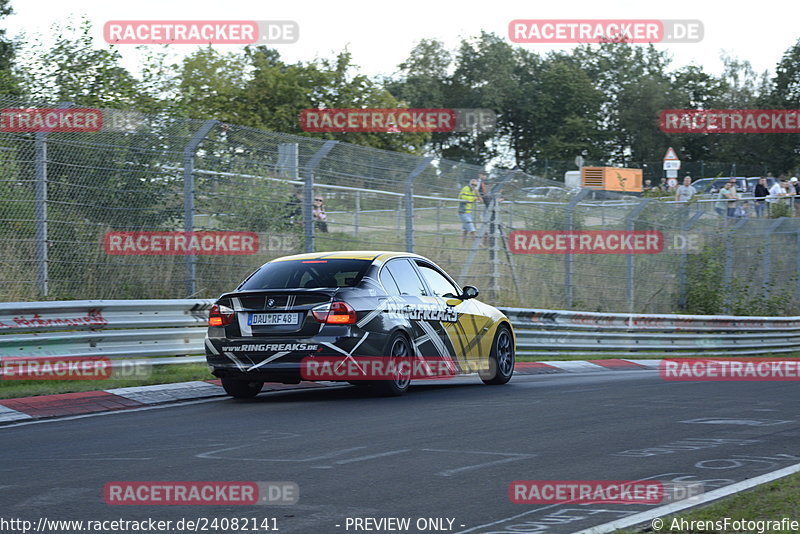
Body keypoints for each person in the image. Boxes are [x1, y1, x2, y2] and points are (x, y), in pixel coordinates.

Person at [458, 179, 480, 244]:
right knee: (472, 230)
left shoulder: (473, 190)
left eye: (475, 185)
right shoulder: (466, 188)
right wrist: (474, 198)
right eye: (473, 184)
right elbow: (464, 198)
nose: (474, 186)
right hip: (463, 211)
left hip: (468, 212)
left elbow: (475, 198)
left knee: (465, 231)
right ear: (470, 183)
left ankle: (461, 245)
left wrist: (476, 197)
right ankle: (479, 245)